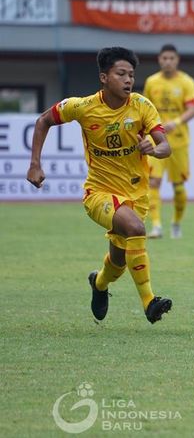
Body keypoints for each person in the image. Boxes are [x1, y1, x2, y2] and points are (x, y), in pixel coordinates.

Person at [26, 47, 173, 323]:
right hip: (99, 193)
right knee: (137, 228)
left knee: (118, 263)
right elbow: (43, 120)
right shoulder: (82, 107)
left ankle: (99, 283)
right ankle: (149, 302)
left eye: (131, 74)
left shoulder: (142, 106)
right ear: (104, 77)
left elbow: (166, 146)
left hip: (136, 195)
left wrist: (154, 148)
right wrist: (35, 163)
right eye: (121, 74)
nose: (128, 80)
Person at [143, 44, 194, 239]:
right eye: (164, 58)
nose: (168, 61)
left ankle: (176, 222)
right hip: (156, 139)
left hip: (179, 141)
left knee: (179, 186)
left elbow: (192, 109)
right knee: (154, 181)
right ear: (159, 59)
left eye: (171, 58)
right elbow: (145, 108)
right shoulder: (151, 82)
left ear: (177, 60)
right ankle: (156, 225)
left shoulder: (186, 82)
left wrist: (175, 122)